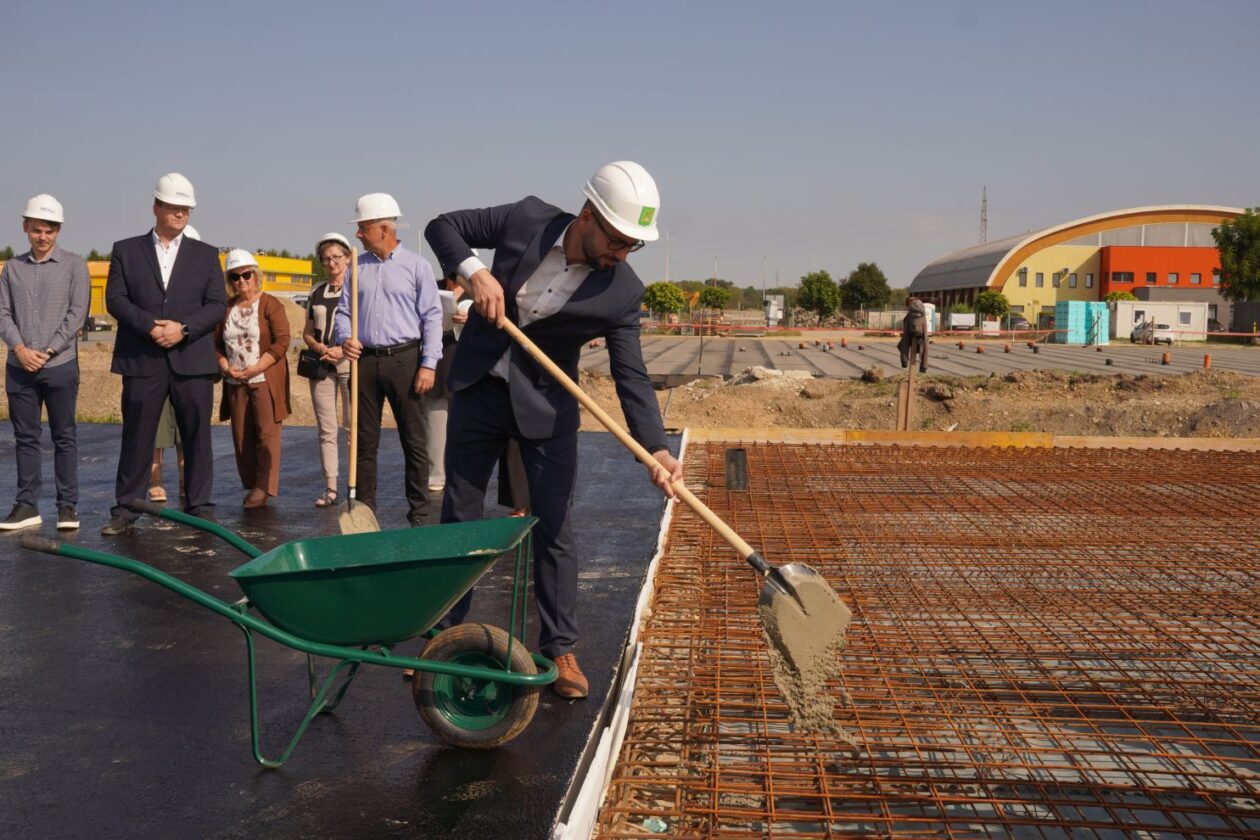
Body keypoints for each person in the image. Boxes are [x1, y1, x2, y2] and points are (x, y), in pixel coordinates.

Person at [424, 161, 683, 698]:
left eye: (634, 247)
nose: (622, 255)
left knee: (556, 527)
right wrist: (475, 270)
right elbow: (442, 225)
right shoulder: (526, 219)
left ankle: (559, 648)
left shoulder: (621, 292)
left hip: (547, 408)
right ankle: (445, 637)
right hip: (480, 386)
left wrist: (655, 447)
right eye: (617, 241)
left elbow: (630, 373)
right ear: (588, 216)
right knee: (461, 517)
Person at [101, 173, 227, 535]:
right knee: (137, 435)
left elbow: (217, 304)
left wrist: (183, 329)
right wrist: (150, 326)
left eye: (186, 209)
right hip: (144, 358)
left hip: (192, 359)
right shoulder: (126, 250)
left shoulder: (206, 254)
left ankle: (200, 506)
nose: (181, 214)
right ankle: (126, 509)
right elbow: (116, 299)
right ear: (156, 207)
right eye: (174, 207)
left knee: (197, 436)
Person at [331, 193, 443, 526]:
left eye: (362, 228)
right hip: (363, 361)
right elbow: (343, 312)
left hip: (405, 361)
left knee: (414, 440)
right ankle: (365, 514)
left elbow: (433, 317)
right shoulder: (356, 268)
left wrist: (428, 363)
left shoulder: (417, 267)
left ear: (383, 229)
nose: (358, 235)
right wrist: (344, 337)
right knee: (364, 441)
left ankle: (420, 514)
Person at [0, 194, 90, 531]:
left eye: (50, 230)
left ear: (59, 230)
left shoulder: (75, 266)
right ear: (26, 227)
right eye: (37, 230)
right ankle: (27, 506)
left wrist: (48, 351)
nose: (43, 237)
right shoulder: (12, 268)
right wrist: (21, 349)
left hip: (60, 366)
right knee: (25, 437)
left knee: (64, 436)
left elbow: (76, 314)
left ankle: (67, 507)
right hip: (19, 367)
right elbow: (2, 312)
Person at [214, 250, 292, 508]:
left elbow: (282, 341)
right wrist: (225, 365)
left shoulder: (271, 304)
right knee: (241, 435)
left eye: (246, 275)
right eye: (235, 277)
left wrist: (258, 366)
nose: (242, 281)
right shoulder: (227, 308)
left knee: (267, 434)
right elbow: (214, 343)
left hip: (263, 378)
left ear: (256, 276)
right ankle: (251, 483)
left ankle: (264, 487)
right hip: (235, 380)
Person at [147, 224, 199, 506]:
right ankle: (155, 481)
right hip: (157, 361)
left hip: (189, 365)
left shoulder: (199, 281)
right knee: (157, 428)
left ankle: (186, 480)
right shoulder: (159, 280)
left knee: (188, 430)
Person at [302, 233, 352, 507]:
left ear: (347, 258)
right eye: (326, 259)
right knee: (326, 429)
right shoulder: (317, 291)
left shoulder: (357, 289)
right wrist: (321, 349)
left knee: (351, 427)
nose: (331, 263)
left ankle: (353, 486)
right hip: (322, 365)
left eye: (336, 257)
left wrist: (343, 350)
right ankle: (331, 488)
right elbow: (307, 332)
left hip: (348, 364)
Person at [421, 273, 469, 495]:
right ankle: (437, 474)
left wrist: (471, 321)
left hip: (465, 359)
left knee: (465, 424)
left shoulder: (476, 289)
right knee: (436, 423)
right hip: (439, 360)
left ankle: (462, 474)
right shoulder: (434, 287)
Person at [898, 297, 929, 373]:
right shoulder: (922, 316)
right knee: (925, 342)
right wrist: (924, 367)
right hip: (920, 334)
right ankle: (923, 367)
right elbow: (925, 340)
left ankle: (907, 362)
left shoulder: (908, 318)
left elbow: (905, 340)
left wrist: (904, 361)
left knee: (904, 342)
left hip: (913, 333)